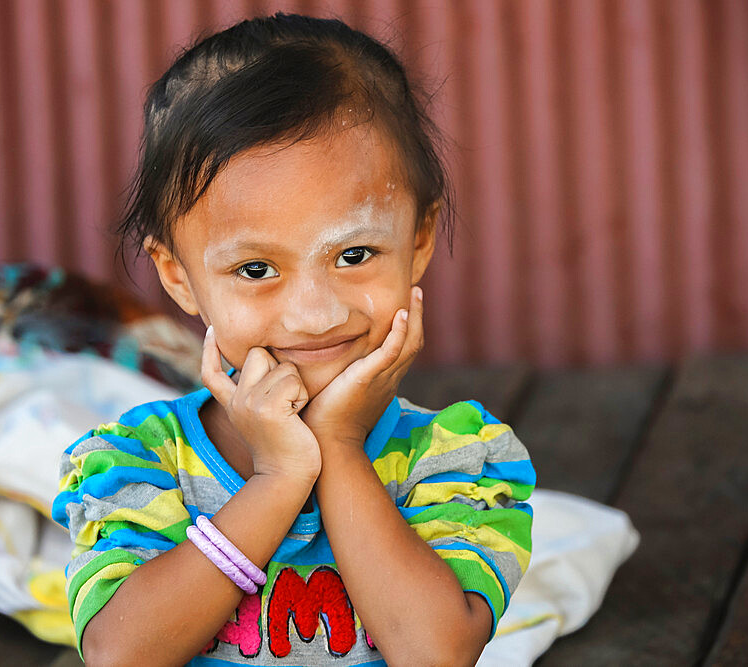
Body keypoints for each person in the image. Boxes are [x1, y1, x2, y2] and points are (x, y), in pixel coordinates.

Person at [51, 13, 534, 666]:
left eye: (355, 252)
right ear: (179, 277)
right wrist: (277, 478)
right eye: (256, 270)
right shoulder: (140, 460)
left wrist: (336, 447)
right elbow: (123, 654)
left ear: (418, 241)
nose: (313, 314)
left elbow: (435, 653)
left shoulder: (453, 460)